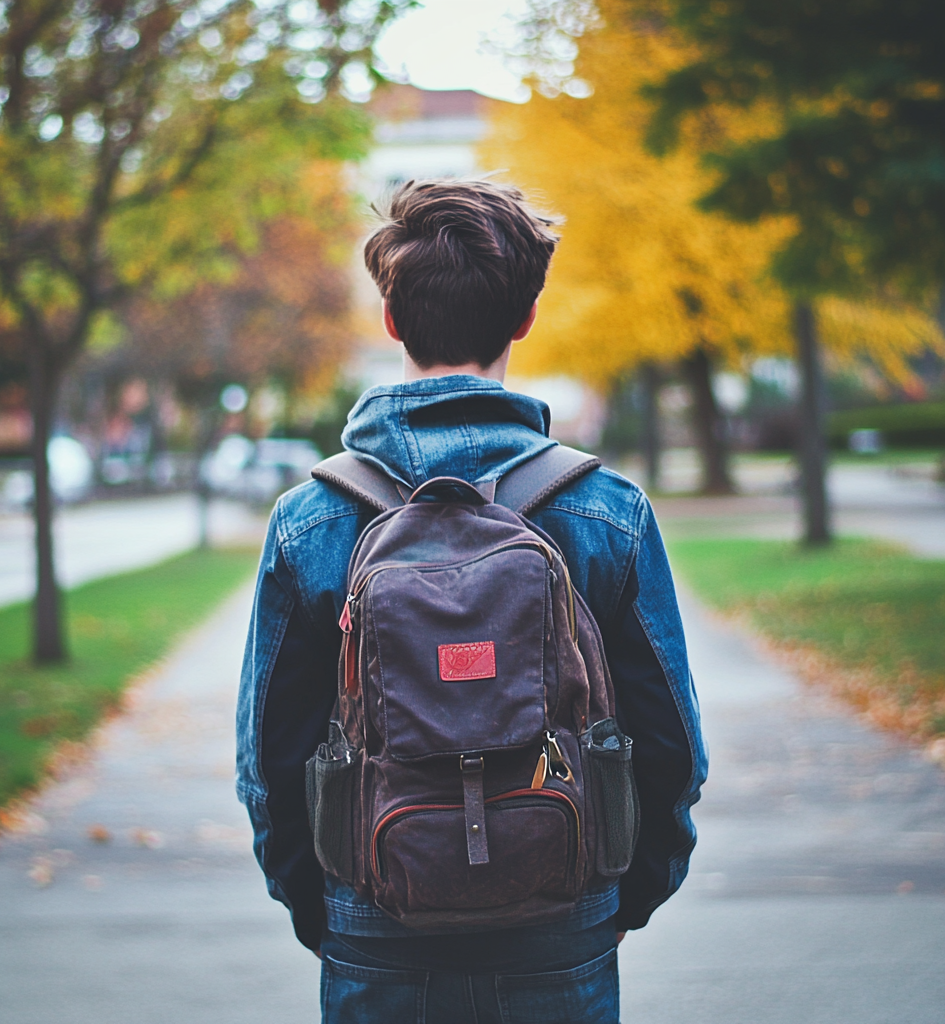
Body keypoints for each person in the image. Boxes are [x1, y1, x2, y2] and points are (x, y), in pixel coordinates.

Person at [236, 178, 707, 1024]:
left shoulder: (311, 520)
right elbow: (672, 745)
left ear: (390, 320)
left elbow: (268, 762)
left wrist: (331, 908)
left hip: (377, 923)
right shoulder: (606, 510)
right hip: (562, 924)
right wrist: (612, 896)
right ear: (525, 318)